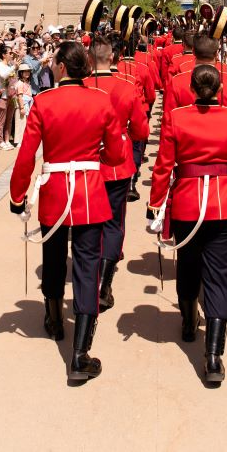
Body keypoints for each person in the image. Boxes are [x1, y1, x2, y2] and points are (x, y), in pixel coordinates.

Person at [8, 41, 128, 381]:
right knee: (87, 266)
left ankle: (54, 319)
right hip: (89, 189)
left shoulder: (44, 101)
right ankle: (80, 353)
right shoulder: (101, 100)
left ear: (61, 67)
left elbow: (27, 154)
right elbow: (118, 155)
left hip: (56, 190)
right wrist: (95, 158)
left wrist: (18, 196)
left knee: (55, 254)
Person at [147, 65, 227, 383]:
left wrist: (155, 205)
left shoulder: (178, 116)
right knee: (219, 276)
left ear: (192, 88)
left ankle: (188, 321)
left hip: (186, 202)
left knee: (189, 265)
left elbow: (163, 165)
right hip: (224, 204)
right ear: (220, 88)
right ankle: (213, 357)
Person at [86, 36, 149, 311]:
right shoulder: (126, 87)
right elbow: (142, 131)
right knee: (113, 224)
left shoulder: (81, 87)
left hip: (85, 162)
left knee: (88, 222)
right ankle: (104, 284)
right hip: (116, 164)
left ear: (89, 59)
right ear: (112, 58)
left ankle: (89, 276)